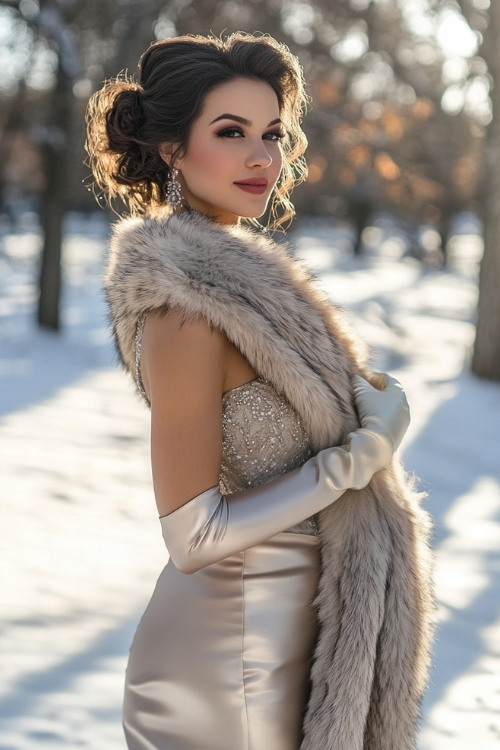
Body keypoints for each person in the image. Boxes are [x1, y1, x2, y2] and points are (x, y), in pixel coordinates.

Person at [86, 32, 433, 750]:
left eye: (272, 133)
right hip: (228, 658)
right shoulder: (184, 307)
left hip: (312, 627)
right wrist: (357, 458)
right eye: (231, 132)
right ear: (174, 149)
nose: (262, 158)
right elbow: (193, 534)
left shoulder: (256, 287)